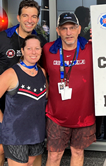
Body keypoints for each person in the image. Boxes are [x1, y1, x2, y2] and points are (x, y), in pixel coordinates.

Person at [42, 12, 96, 166]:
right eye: (64, 28)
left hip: (84, 115)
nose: (68, 32)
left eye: (72, 27)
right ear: (58, 30)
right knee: (53, 155)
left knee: (78, 152)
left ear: (79, 29)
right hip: (56, 116)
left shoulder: (91, 49)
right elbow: (42, 74)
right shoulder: (48, 49)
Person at [0, 0, 47, 165]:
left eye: (34, 16)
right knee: (0, 151)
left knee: (33, 158)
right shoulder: (3, 38)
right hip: (3, 108)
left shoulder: (41, 40)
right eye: (25, 15)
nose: (29, 20)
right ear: (18, 17)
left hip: (27, 112)